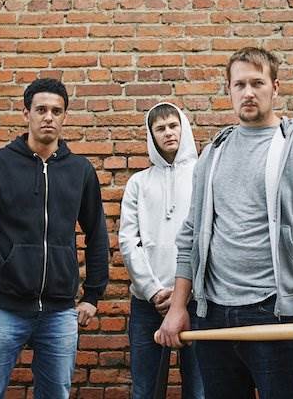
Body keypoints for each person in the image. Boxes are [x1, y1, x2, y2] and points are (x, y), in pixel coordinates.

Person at [156, 47, 293, 399]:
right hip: (214, 315)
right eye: (239, 84)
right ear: (229, 90)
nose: (248, 92)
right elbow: (191, 236)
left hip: (278, 313)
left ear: (276, 87)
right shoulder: (213, 153)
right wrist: (180, 306)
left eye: (257, 83)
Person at [0, 78, 109, 399]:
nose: (49, 117)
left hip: (60, 314)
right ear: (25, 114)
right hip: (3, 310)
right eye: (41, 109)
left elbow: (97, 235)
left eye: (57, 111)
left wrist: (92, 295)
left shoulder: (80, 170)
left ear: (65, 117)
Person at [119, 102, 204, 399]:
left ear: (184, 128)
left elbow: (205, 237)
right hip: (147, 303)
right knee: (145, 389)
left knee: (200, 388)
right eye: (160, 128)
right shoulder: (138, 183)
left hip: (196, 300)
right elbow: (129, 241)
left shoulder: (202, 175)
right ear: (151, 135)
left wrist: (185, 291)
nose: (168, 133)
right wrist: (154, 290)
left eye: (173, 125)